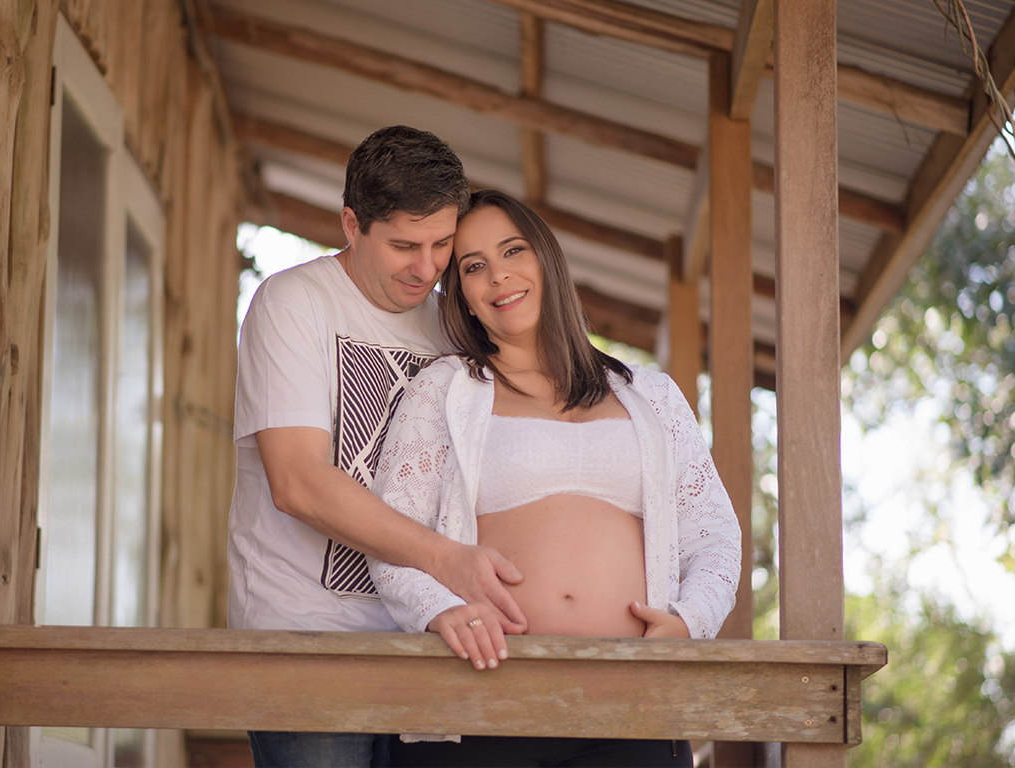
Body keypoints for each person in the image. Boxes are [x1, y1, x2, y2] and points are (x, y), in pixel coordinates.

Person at [367, 189, 742, 767]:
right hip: (479, 702)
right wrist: (437, 610)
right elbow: (388, 534)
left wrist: (690, 623)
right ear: (462, 295)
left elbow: (714, 533)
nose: (498, 277)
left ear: (546, 258)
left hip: (630, 704)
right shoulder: (442, 392)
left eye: (512, 250)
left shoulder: (652, 395)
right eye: (473, 267)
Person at [228, 129, 531, 768]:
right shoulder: (293, 304)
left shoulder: (454, 321)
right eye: (402, 246)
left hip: (433, 637)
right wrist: (447, 560)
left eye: (442, 244)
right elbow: (298, 483)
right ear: (351, 224)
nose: (426, 268)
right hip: (308, 642)